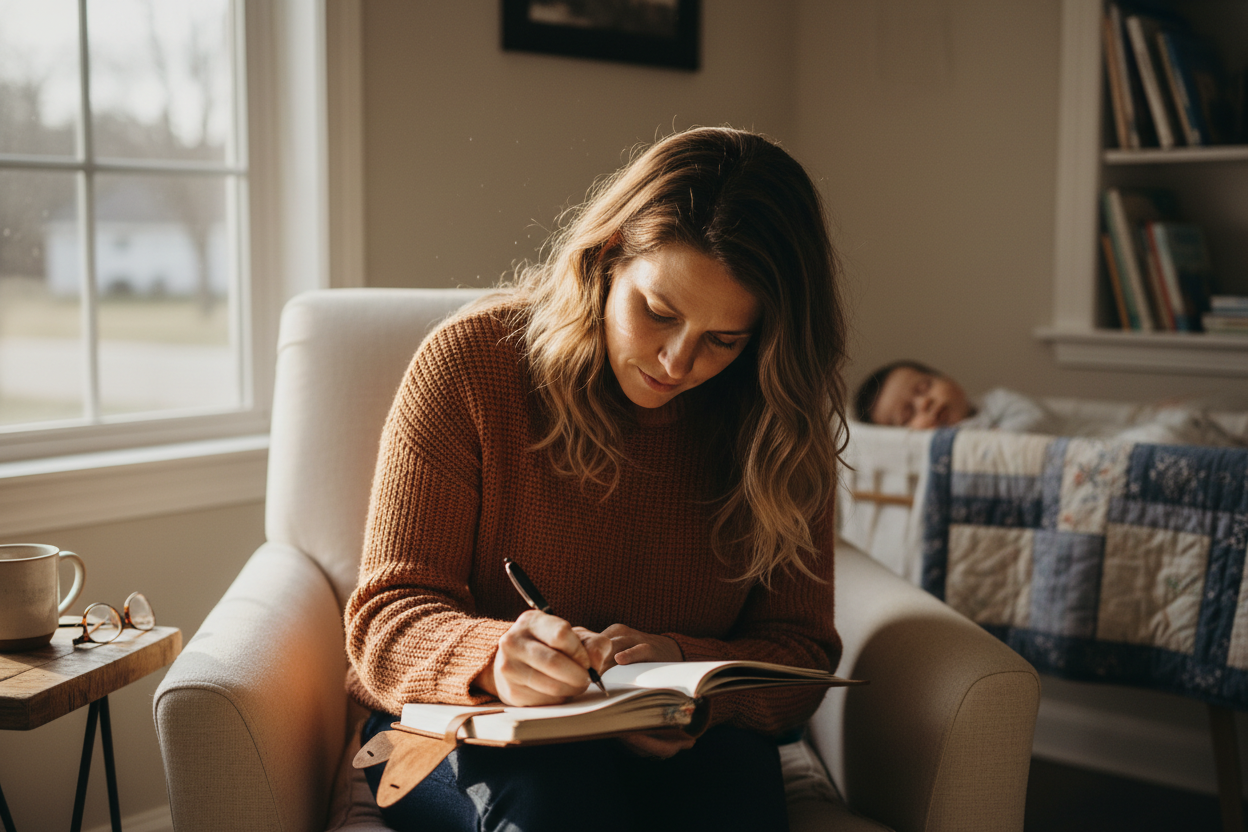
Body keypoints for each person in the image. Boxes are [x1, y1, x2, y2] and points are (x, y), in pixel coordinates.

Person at [343, 127, 849, 832]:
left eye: (723, 341)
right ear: (607, 257)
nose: (677, 362)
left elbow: (799, 655)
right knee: (557, 802)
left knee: (734, 793)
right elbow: (384, 622)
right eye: (659, 313)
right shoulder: (471, 365)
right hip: (452, 734)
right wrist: (494, 661)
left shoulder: (777, 426)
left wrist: (683, 669)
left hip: (683, 746)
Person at [855, 360, 1246, 447]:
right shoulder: (940, 450)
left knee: (1178, 422)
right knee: (1166, 435)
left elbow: (1035, 421)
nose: (926, 404)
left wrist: (995, 438)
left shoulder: (997, 402)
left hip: (1102, 442)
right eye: (908, 413)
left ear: (948, 379)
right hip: (1104, 456)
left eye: (924, 387)